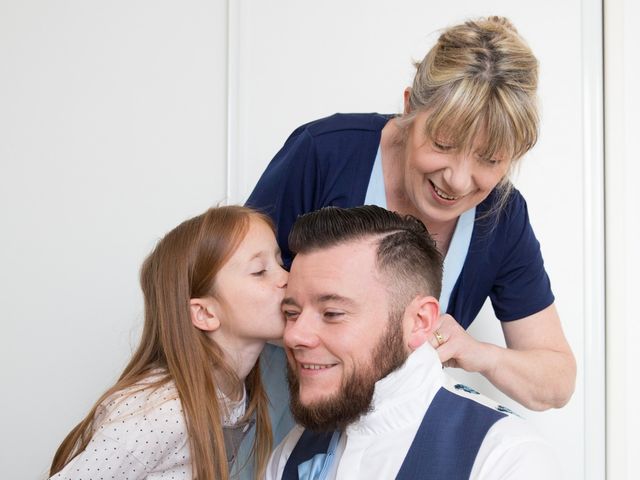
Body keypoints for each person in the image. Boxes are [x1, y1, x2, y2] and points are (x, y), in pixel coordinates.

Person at [247, 16, 575, 411]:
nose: (457, 180)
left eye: (488, 159)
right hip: (275, 417)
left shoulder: (501, 217)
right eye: (443, 144)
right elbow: (224, 288)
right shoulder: (325, 153)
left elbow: (556, 382)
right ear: (408, 108)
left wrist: (478, 353)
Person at [267, 205, 559, 479]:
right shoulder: (292, 452)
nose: (294, 336)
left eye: (332, 313)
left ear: (419, 321)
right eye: (291, 313)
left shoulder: (503, 457)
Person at [48, 206, 293, 480]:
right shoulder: (162, 412)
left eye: (280, 263)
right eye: (260, 271)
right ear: (204, 313)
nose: (287, 279)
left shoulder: (234, 394)